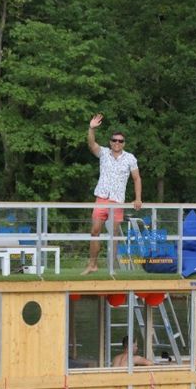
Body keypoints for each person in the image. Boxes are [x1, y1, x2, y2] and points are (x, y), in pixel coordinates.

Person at [82, 114, 143, 275]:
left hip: (117, 201)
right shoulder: (103, 153)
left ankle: (111, 268)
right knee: (95, 231)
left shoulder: (130, 158)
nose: (117, 143)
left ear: (124, 143)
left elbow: (137, 178)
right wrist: (91, 128)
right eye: (114, 140)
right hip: (102, 197)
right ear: (110, 142)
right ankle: (92, 265)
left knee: (114, 234)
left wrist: (138, 198)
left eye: (120, 141)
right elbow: (91, 144)